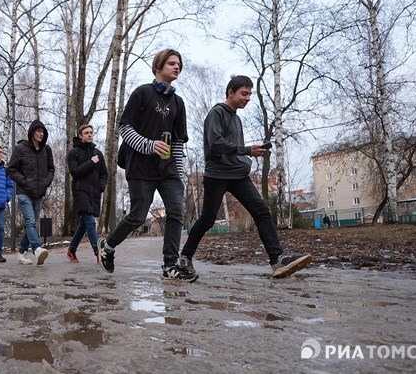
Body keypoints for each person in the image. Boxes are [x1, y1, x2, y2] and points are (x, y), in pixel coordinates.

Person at [178, 75, 312, 278]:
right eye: (244, 93)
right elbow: (216, 144)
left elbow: (233, 148)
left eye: (249, 94)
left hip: (238, 174)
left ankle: (277, 259)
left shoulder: (236, 118)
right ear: (230, 92)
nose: (248, 98)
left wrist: (246, 156)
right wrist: (247, 150)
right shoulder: (217, 113)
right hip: (217, 174)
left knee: (262, 212)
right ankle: (185, 257)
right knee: (207, 219)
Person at [98, 49, 197, 281]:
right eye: (172, 63)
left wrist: (179, 172)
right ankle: (109, 245)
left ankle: (170, 265)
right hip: (140, 167)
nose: (177, 67)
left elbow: (179, 141)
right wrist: (149, 145)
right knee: (138, 215)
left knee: (176, 211)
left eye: (179, 64)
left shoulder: (178, 103)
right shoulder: (142, 93)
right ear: (158, 66)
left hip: (168, 169)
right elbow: (124, 128)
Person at [7, 119, 54, 265]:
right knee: (30, 221)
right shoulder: (21, 149)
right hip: (24, 192)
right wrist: (24, 181)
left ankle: (21, 253)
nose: (41, 134)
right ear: (32, 132)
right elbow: (11, 169)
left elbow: (51, 169)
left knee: (31, 224)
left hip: (39, 193)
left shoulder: (47, 150)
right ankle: (37, 249)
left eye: (43, 132)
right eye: (39, 131)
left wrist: (46, 182)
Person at [66, 124, 108, 263]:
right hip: (80, 191)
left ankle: (71, 250)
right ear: (80, 135)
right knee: (90, 220)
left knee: (84, 223)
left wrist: (100, 187)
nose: (89, 135)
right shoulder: (74, 153)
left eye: (91, 132)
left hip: (94, 192)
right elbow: (75, 172)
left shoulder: (98, 153)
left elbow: (104, 174)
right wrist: (91, 162)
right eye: (86, 133)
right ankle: (98, 252)